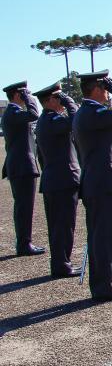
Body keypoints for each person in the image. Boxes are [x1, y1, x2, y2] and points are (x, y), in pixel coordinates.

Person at [72, 70, 112, 301]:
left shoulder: (83, 113)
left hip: (95, 181)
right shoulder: (93, 112)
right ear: (97, 89)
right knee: (105, 237)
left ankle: (101, 283)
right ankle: (104, 286)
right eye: (106, 88)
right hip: (103, 182)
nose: (108, 92)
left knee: (100, 235)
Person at [34, 82, 81, 277]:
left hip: (54, 179)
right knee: (63, 225)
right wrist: (70, 101)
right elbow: (77, 119)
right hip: (62, 180)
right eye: (59, 98)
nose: (61, 101)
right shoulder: (52, 121)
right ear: (50, 100)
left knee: (57, 225)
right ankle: (62, 264)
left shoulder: (46, 120)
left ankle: (60, 263)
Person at [2, 81, 45, 256]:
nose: (29, 95)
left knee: (24, 206)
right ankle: (24, 244)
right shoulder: (13, 112)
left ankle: (24, 242)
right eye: (25, 93)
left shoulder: (13, 113)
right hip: (22, 166)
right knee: (24, 207)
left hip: (20, 165)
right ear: (18, 95)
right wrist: (29, 98)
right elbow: (34, 114)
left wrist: (26, 96)